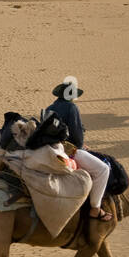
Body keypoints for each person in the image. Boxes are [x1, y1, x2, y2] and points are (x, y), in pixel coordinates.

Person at [41, 82, 112, 222]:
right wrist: (81, 145)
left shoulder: (49, 108)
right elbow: (78, 138)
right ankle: (95, 208)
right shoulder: (71, 107)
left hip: (48, 151)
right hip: (68, 152)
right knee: (103, 170)